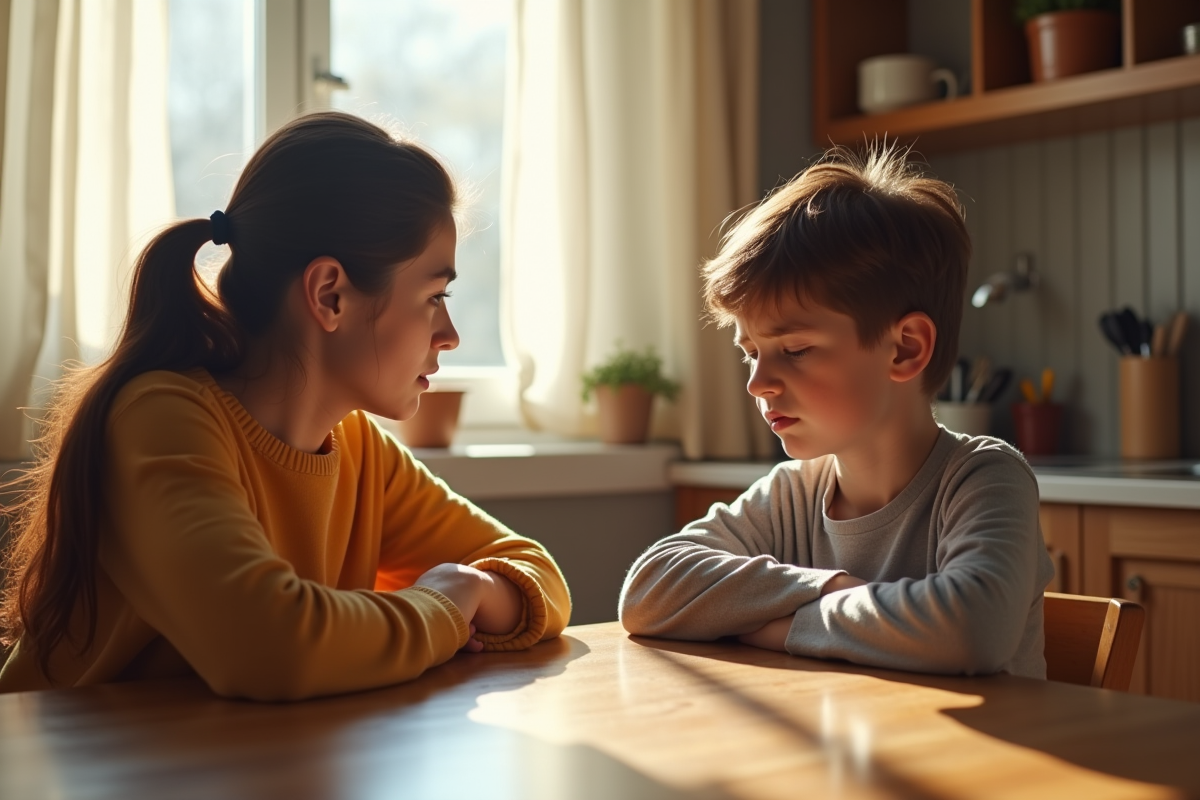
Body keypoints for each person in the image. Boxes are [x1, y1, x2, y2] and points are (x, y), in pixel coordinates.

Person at [0, 112, 570, 701]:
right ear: (330, 295)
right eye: (434, 296)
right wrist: (445, 606)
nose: (449, 334)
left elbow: (535, 572)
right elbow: (271, 647)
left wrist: (469, 588)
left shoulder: (356, 447)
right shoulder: (161, 419)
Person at [619, 145, 1054, 678]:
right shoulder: (793, 494)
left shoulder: (985, 477)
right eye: (751, 353)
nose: (757, 384)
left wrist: (779, 625)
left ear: (905, 348)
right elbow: (648, 589)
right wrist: (829, 588)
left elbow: (973, 630)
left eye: (795, 350)